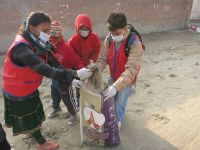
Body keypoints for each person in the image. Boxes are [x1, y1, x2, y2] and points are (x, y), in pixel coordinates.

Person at [2, 12, 92, 150]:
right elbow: (45, 69)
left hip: (28, 86)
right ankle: (42, 143)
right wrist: (75, 72)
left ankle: (35, 132)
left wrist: (72, 79)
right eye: (45, 30)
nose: (48, 34)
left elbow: (54, 62)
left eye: (49, 30)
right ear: (32, 28)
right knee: (30, 116)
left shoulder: (38, 41)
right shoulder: (21, 48)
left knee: (34, 112)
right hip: (18, 90)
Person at [97, 12, 144, 129]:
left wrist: (116, 86)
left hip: (127, 79)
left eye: (117, 34)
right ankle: (111, 117)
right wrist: (94, 72)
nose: (114, 37)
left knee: (120, 102)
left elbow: (132, 69)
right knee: (109, 99)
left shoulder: (134, 43)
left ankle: (117, 122)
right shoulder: (110, 39)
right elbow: (103, 59)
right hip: (113, 76)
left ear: (125, 28)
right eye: (112, 34)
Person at [48, 21, 85, 126]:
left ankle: (73, 113)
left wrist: (82, 73)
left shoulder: (67, 49)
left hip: (65, 80)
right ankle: (56, 108)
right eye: (50, 37)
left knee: (67, 98)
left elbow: (77, 62)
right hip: (54, 77)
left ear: (60, 36)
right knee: (54, 95)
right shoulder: (49, 47)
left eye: (54, 38)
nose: (52, 40)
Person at [68, 14, 101, 108]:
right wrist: (82, 69)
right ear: (77, 27)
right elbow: (73, 57)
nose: (84, 31)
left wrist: (90, 66)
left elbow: (96, 51)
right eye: (81, 28)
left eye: (87, 28)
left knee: (92, 85)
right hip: (78, 69)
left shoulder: (95, 39)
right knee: (79, 87)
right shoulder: (72, 41)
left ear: (90, 28)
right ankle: (79, 102)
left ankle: (92, 102)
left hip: (90, 67)